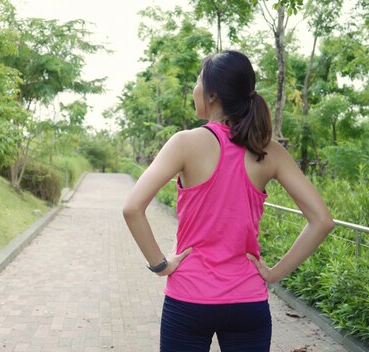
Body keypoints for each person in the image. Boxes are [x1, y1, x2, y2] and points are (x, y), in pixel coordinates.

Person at [122, 50, 335, 352]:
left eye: (197, 80)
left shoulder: (185, 142)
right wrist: (273, 274)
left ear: (212, 95)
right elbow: (322, 221)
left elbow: (132, 208)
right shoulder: (269, 150)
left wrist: (161, 265)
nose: (193, 88)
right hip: (248, 302)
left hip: (189, 298)